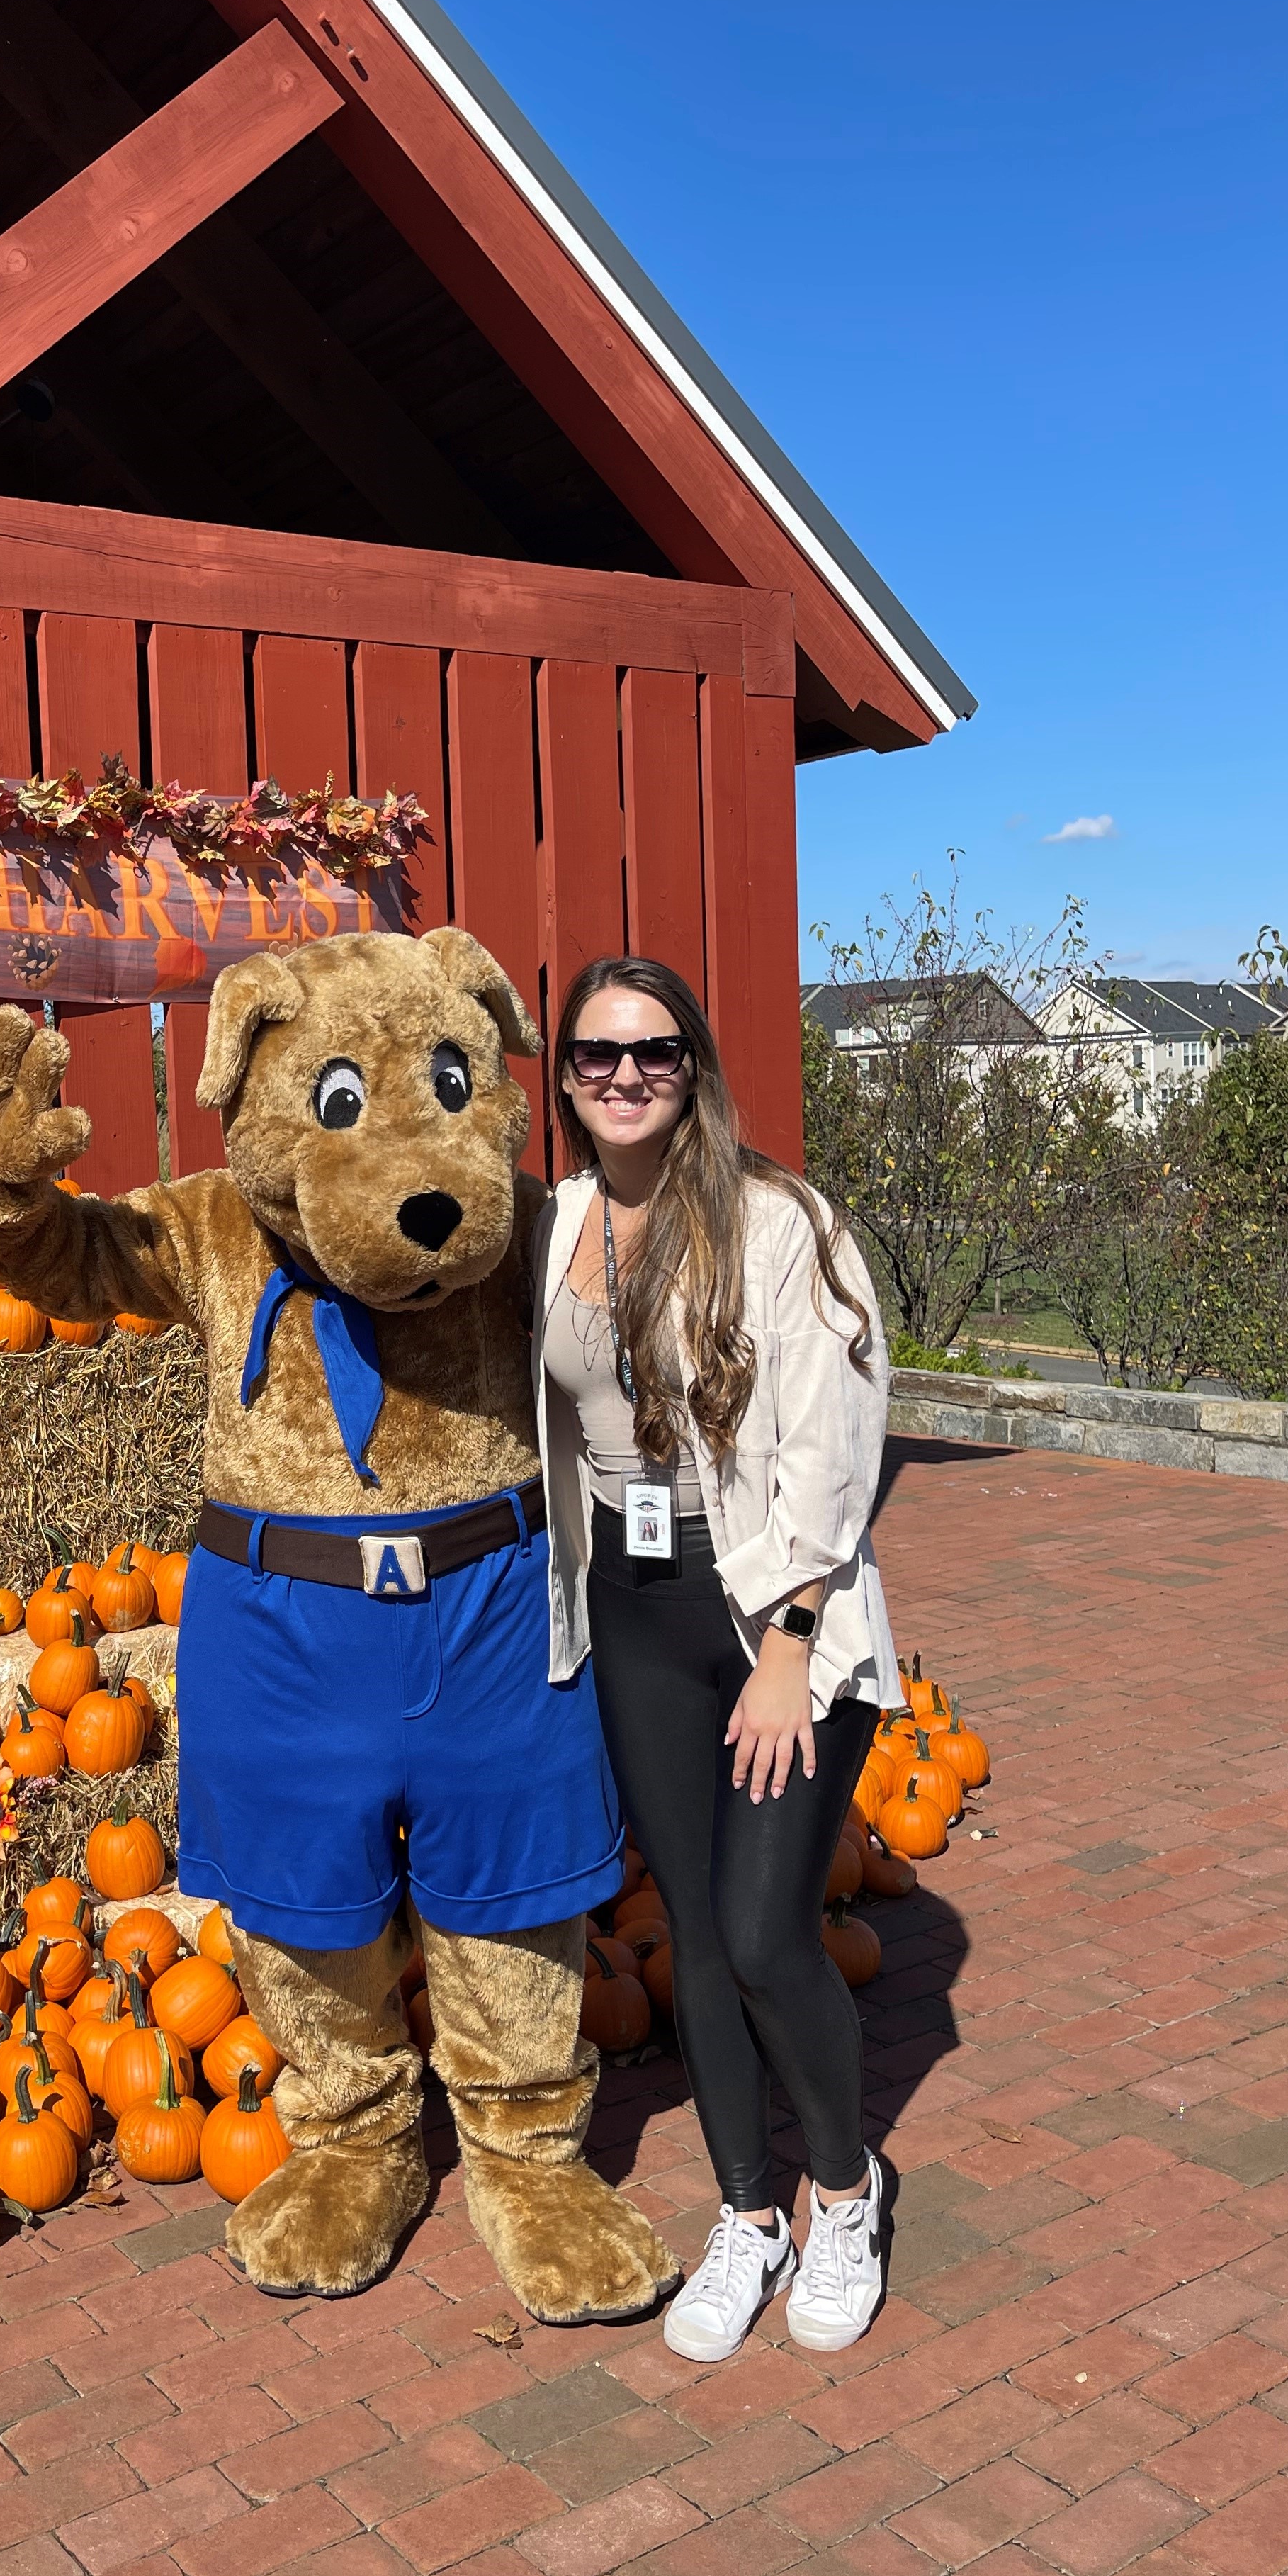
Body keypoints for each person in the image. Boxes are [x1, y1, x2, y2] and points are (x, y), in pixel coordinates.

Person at [533, 955, 900, 2360]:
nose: (624, 1076)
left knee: (762, 1929)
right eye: (595, 1055)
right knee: (693, 1930)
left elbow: (837, 1444)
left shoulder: (777, 1224)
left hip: (757, 1606)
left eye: (655, 1052)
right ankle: (748, 2216)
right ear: (563, 1078)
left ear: (695, 1069)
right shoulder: (556, 1222)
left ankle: (845, 2189)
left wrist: (793, 1643)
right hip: (627, 1608)